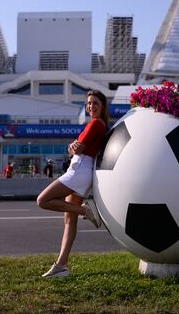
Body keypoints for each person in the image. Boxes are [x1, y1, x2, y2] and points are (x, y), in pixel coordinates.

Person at [37, 90, 109, 278]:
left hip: (78, 172)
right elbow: (73, 148)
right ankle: (61, 265)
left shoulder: (96, 124)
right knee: (69, 220)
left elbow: (77, 146)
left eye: (95, 103)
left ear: (102, 107)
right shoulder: (93, 124)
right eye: (88, 104)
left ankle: (87, 211)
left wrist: (73, 146)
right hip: (78, 169)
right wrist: (73, 146)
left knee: (43, 200)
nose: (91, 107)